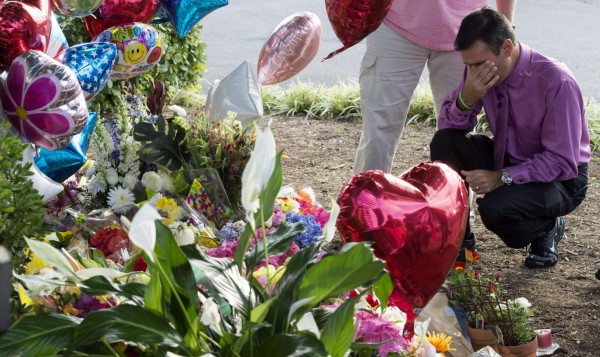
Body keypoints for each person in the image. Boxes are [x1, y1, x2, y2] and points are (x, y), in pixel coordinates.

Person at [430, 8, 590, 268]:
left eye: (478, 63)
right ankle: (458, 238)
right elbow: (449, 127)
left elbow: (561, 161)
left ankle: (547, 226)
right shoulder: (480, 68)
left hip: (562, 179)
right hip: (508, 157)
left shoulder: (556, 81)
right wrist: (466, 98)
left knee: (496, 209)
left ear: (506, 47)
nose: (472, 71)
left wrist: (501, 177)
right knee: (445, 142)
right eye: (467, 64)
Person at [353, 0, 516, 175]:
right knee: (378, 130)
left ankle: (455, 201)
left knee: (459, 133)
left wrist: (503, 27)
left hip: (469, 30)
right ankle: (363, 198)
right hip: (394, 23)